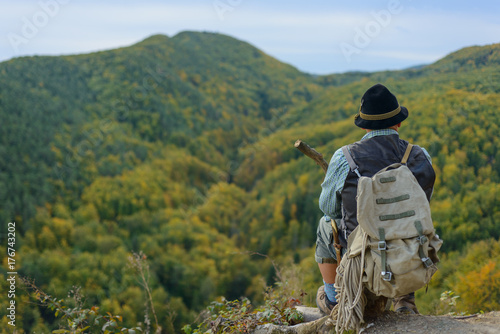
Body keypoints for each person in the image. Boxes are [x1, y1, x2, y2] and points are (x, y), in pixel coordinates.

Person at [315, 83, 436, 315]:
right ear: (398, 122)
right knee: (407, 225)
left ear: (365, 126)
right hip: (410, 245)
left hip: (362, 249)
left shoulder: (345, 157)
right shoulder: (421, 155)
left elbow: (328, 208)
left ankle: (335, 299)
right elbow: (424, 205)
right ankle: (404, 298)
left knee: (324, 224)